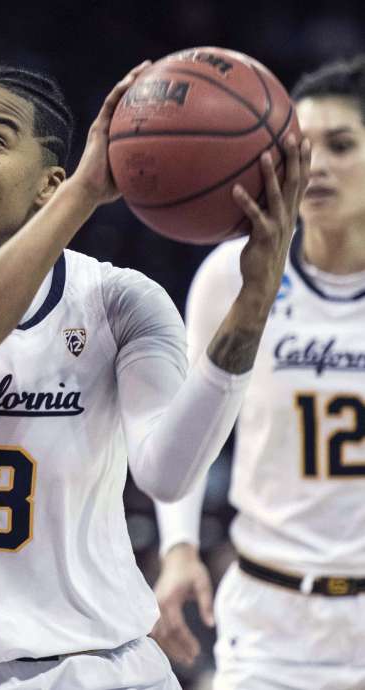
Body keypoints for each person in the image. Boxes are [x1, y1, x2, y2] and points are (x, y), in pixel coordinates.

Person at [0, 60, 310, 690]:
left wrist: (251, 308)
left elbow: (167, 474)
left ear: (48, 183)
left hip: (104, 662)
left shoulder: (121, 300)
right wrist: (82, 196)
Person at [153, 54, 365, 690]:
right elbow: (188, 427)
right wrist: (179, 548)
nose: (317, 165)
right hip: (268, 615)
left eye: (342, 145)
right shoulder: (231, 273)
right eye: (303, 147)